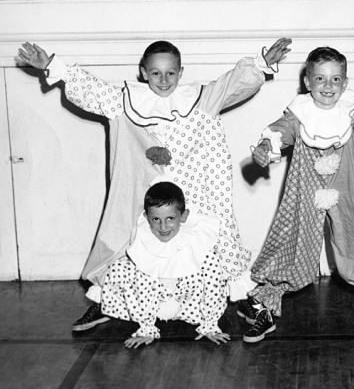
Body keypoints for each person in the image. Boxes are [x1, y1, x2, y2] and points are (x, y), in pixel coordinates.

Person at [15, 37, 292, 331]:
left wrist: (261, 64)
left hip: (195, 185)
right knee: (126, 234)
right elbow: (90, 88)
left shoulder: (201, 99)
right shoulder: (124, 101)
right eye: (156, 73)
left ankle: (239, 298)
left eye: (170, 73)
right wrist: (50, 65)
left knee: (216, 234)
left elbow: (232, 84)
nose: (163, 79)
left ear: (181, 72)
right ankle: (108, 301)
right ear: (144, 72)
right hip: (144, 185)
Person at [238, 46, 354, 343]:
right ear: (308, 82)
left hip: (345, 181)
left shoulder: (352, 109)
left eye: (335, 79)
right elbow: (281, 129)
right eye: (320, 79)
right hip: (305, 181)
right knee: (293, 235)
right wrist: (267, 146)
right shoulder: (299, 112)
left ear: (345, 82)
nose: (327, 86)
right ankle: (266, 304)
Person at [101, 179, 245, 348]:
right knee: (122, 268)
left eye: (170, 218)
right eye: (155, 219)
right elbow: (142, 286)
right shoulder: (143, 238)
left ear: (183, 216)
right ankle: (149, 322)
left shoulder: (195, 240)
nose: (163, 227)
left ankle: (205, 321)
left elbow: (212, 283)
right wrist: (146, 328)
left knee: (210, 265)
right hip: (151, 299)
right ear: (146, 217)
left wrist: (210, 326)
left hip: (188, 299)